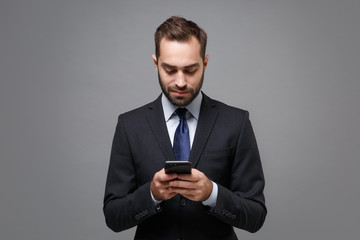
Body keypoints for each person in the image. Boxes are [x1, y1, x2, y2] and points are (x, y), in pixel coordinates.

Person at [103, 16, 267, 240]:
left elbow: (256, 216)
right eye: (170, 70)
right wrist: (151, 194)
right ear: (155, 63)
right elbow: (113, 216)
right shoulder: (129, 125)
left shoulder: (236, 123)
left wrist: (212, 193)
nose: (180, 82)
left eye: (190, 70)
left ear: (205, 63)